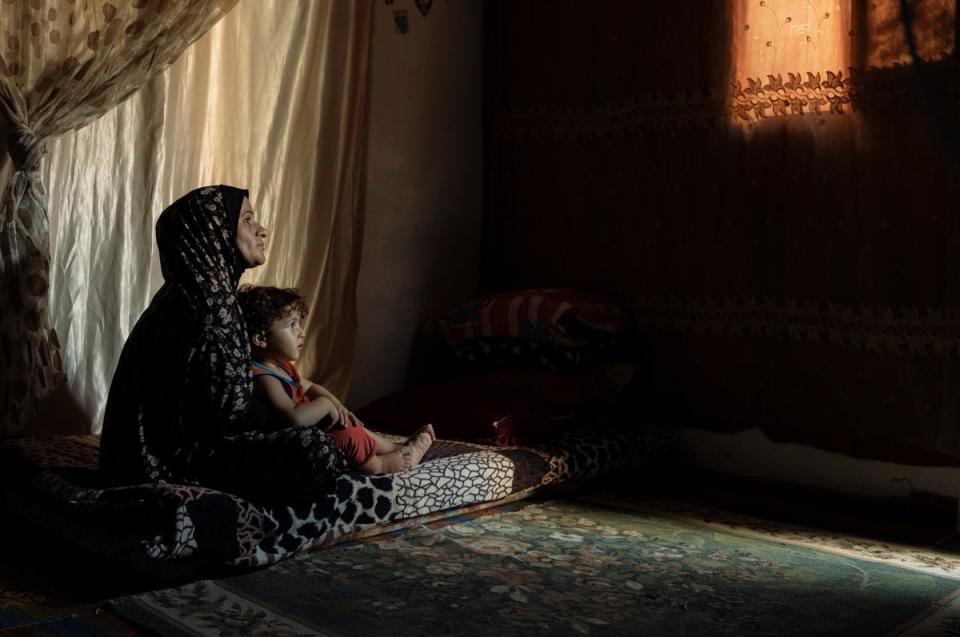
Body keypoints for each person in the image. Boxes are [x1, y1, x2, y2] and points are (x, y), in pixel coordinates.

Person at [98, 185, 343, 500]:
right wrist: (298, 417)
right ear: (214, 232)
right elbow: (230, 415)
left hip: (135, 461)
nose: (261, 230)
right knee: (315, 449)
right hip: (172, 465)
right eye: (247, 220)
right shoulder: (212, 306)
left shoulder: (181, 294)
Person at [237, 285, 435, 473]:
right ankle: (380, 465)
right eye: (291, 325)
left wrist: (337, 405)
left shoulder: (281, 366)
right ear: (260, 338)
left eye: (299, 324)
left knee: (350, 422)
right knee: (345, 433)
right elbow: (293, 418)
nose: (301, 333)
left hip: (316, 429)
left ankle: (396, 446)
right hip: (300, 442)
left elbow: (309, 387)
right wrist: (325, 405)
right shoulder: (263, 377)